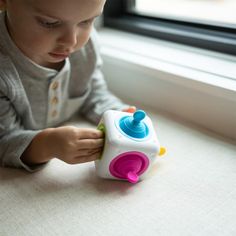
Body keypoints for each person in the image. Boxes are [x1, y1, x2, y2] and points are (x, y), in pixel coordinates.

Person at [0, 0, 135, 171]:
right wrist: (47, 145)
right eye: (50, 23)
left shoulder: (86, 46)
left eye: (86, 21)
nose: (71, 41)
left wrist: (118, 114)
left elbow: (92, 92)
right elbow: (4, 140)